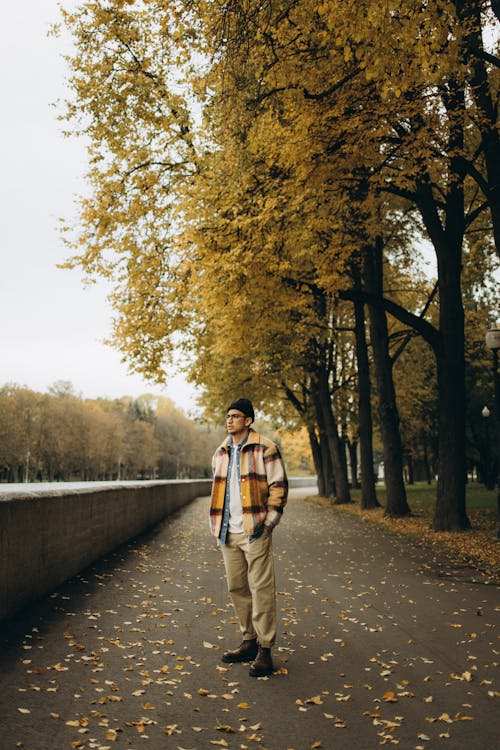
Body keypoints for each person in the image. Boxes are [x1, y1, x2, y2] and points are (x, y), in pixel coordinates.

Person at [209, 398, 288, 677]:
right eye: (227, 415)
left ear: (248, 420)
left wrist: (269, 523)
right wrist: (217, 525)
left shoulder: (266, 447)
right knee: (237, 588)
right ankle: (249, 641)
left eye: (236, 416)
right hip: (228, 531)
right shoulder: (220, 452)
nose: (229, 420)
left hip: (255, 530)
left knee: (261, 589)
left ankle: (265, 650)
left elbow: (278, 486)